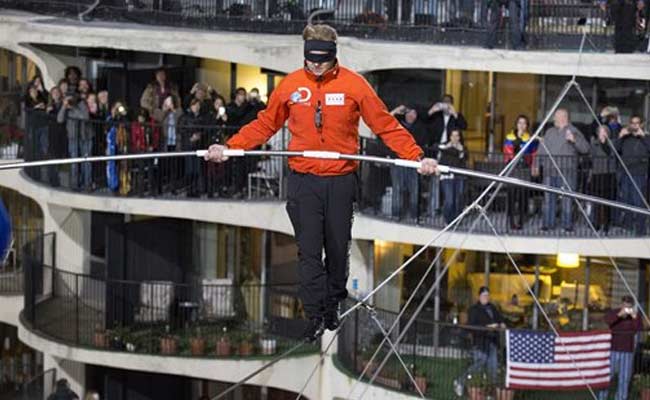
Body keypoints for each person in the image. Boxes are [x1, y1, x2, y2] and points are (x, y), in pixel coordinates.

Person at [204, 24, 437, 341]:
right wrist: (229, 147)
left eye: (321, 59)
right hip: (303, 181)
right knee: (309, 252)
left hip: (341, 181)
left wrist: (416, 156)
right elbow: (265, 123)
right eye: (309, 58)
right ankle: (314, 314)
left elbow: (384, 123)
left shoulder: (355, 85)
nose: (314, 65)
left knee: (338, 250)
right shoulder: (291, 86)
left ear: (333, 55)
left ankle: (332, 303)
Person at [533, 109, 589, 232]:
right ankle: (548, 224)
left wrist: (574, 140)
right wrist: (536, 165)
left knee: (567, 199)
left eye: (556, 117)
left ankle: (567, 225)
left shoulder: (573, 131)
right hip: (549, 171)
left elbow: (585, 148)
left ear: (564, 117)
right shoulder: (549, 132)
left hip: (567, 171)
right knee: (548, 199)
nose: (554, 119)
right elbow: (541, 149)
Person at [454, 286, 505, 397]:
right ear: (479, 296)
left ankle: (491, 393)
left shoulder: (492, 307)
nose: (486, 297)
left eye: (487, 295)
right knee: (479, 364)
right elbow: (472, 325)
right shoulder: (474, 309)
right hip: (481, 341)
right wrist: (487, 327)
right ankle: (460, 381)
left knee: (493, 368)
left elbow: (500, 318)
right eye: (484, 295)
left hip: (492, 341)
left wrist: (501, 323)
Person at [598, 295, 643, 400]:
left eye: (628, 306)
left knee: (625, 377)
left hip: (627, 350)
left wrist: (635, 317)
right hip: (613, 348)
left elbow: (639, 328)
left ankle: (621, 397)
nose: (626, 308)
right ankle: (601, 397)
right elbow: (607, 321)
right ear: (621, 304)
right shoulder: (615, 312)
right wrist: (619, 315)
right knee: (608, 375)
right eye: (624, 305)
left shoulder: (635, 315)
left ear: (632, 306)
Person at [389, 105, 427, 220]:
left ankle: (414, 216)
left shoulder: (420, 128)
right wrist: (395, 111)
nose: (411, 116)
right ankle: (396, 215)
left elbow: (422, 145)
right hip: (398, 162)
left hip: (413, 163)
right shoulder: (397, 125)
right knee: (397, 189)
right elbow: (384, 121)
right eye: (409, 113)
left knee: (414, 189)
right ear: (404, 114)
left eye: (414, 113)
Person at [614, 115, 650, 234]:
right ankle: (628, 226)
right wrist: (620, 137)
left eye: (637, 123)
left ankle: (641, 229)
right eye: (632, 123)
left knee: (638, 201)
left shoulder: (646, 137)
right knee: (627, 200)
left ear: (641, 124)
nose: (634, 125)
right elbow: (615, 150)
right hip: (625, 172)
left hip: (639, 173)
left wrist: (643, 136)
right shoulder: (626, 138)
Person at [503, 115, 537, 229]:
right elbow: (508, 152)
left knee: (523, 196)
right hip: (513, 169)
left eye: (524, 123)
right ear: (516, 124)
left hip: (524, 169)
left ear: (527, 126)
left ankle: (521, 220)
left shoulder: (530, 138)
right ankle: (512, 221)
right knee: (512, 195)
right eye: (520, 123)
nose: (522, 125)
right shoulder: (510, 137)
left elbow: (533, 153)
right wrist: (519, 140)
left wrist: (533, 165)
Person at [57, 94, 89, 191]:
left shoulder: (81, 104)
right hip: (72, 137)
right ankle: (75, 184)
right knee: (74, 162)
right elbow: (59, 119)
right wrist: (64, 106)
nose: (70, 101)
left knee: (85, 162)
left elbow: (85, 117)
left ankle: (86, 184)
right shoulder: (66, 108)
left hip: (83, 136)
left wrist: (74, 108)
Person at [589, 125, 616, 233]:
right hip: (597, 174)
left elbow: (611, 154)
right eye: (600, 131)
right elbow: (592, 155)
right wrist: (599, 142)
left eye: (604, 131)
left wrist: (605, 142)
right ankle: (596, 223)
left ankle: (606, 224)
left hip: (608, 175)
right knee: (596, 201)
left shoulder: (611, 143)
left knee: (607, 202)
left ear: (607, 133)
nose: (602, 133)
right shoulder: (594, 143)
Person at [180, 98, 208, 197]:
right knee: (189, 169)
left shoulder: (201, 118)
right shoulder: (185, 117)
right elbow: (181, 130)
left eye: (198, 105)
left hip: (198, 146)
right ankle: (189, 189)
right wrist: (190, 137)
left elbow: (205, 130)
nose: (196, 107)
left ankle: (196, 189)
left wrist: (199, 135)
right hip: (188, 145)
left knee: (197, 169)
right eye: (194, 105)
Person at [438, 129, 467, 224]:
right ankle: (448, 220)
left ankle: (457, 220)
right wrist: (447, 147)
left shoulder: (462, 148)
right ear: (449, 137)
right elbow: (441, 161)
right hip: (447, 177)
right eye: (452, 136)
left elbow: (464, 160)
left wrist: (461, 150)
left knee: (458, 198)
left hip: (459, 177)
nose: (455, 138)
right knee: (449, 199)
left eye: (457, 136)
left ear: (459, 137)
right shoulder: (445, 147)